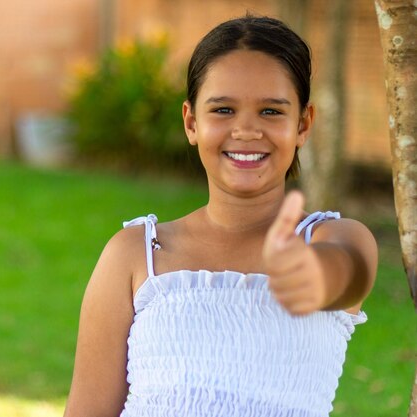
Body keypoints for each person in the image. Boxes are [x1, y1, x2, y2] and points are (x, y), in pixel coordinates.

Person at [64, 14, 378, 417]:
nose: (246, 130)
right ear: (191, 122)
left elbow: (350, 273)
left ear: (303, 124)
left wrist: (317, 276)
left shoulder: (332, 238)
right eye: (224, 109)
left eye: (271, 112)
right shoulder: (137, 255)